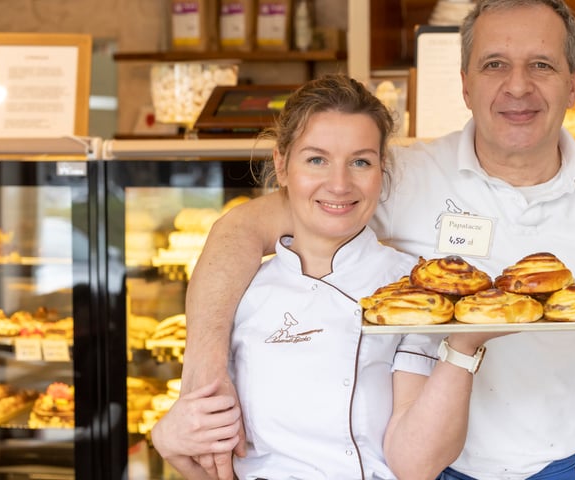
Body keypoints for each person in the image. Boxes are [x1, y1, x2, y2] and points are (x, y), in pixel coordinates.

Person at [178, 1, 575, 479]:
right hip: (425, 469)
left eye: (541, 64)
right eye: (495, 65)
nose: (518, 86)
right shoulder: (400, 175)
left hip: (567, 467)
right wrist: (205, 371)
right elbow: (239, 230)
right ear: (465, 83)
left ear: (573, 82)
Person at [151, 74, 501, 479]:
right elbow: (219, 467)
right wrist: (170, 444)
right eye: (316, 159)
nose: (339, 184)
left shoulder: (411, 293)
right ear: (282, 167)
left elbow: (416, 465)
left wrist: (463, 344)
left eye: (360, 162)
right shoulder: (241, 291)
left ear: (381, 170)